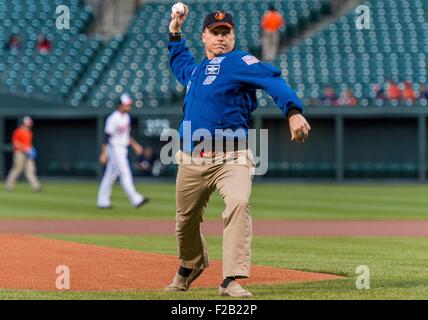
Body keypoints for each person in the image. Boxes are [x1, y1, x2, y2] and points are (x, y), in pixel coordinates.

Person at [165, 7, 310, 297]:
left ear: (233, 36)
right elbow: (179, 62)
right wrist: (175, 32)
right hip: (193, 157)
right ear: (204, 36)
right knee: (185, 219)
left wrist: (292, 111)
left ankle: (230, 279)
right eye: (215, 33)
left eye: (226, 32)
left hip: (232, 155)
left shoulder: (239, 61)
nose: (221, 37)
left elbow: (273, 81)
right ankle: (191, 265)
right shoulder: (196, 71)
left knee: (239, 202)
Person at [97, 94, 150, 209]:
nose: (129, 105)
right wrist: (104, 153)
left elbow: (126, 135)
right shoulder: (113, 118)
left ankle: (102, 201)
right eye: (127, 104)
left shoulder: (126, 117)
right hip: (114, 148)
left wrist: (135, 145)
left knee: (110, 175)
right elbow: (106, 136)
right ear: (121, 105)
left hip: (123, 147)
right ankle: (136, 199)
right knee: (125, 172)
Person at [5, 116, 41, 192]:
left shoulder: (29, 132)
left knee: (31, 170)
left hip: (28, 154)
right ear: (24, 123)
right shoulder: (18, 131)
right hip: (19, 153)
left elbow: (29, 144)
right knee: (17, 170)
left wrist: (31, 150)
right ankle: (9, 186)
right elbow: (15, 143)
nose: (30, 124)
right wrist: (25, 148)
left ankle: (36, 187)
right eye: (29, 123)